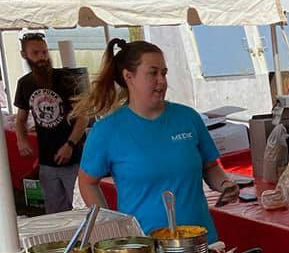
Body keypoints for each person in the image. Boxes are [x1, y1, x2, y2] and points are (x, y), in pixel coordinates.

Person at [75, 39, 238, 241]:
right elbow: (87, 182)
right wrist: (111, 227)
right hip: (146, 247)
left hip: (199, 240)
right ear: (128, 76)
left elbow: (210, 166)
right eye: (153, 73)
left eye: (164, 73)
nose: (162, 80)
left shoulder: (188, 118)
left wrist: (224, 184)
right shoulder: (107, 130)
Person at [13, 32, 88, 213]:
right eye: (36, 53)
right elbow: (20, 119)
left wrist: (70, 145)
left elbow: (83, 116)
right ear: (24, 55)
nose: (42, 57)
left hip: (75, 160)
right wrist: (21, 139)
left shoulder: (66, 78)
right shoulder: (24, 84)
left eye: (44, 52)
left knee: (82, 212)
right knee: (55, 215)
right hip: (47, 162)